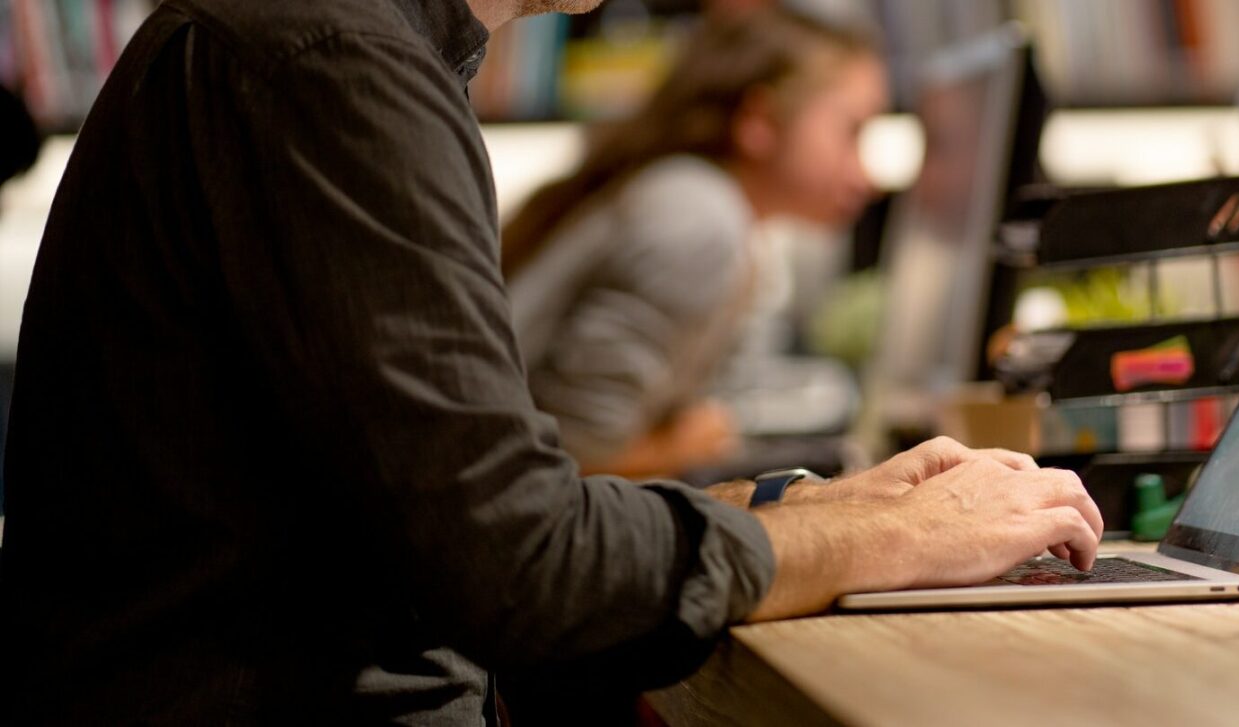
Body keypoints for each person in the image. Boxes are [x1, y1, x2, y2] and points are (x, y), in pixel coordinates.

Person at [0, 1, 1102, 724]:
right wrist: (866, 537)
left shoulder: (350, 50)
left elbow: (456, 513)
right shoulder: (328, 59)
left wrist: (806, 509)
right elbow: (518, 565)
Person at [502, 6, 882, 478]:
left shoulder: (693, 200)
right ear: (759, 122)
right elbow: (572, 457)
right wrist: (689, 443)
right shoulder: (700, 221)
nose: (868, 175)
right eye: (852, 131)